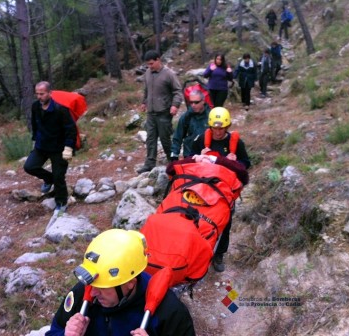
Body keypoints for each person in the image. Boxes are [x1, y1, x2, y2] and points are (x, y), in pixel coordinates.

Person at [46, 229, 196, 336]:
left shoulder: (169, 312)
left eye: (103, 287)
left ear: (130, 282)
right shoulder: (83, 294)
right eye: (92, 285)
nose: (93, 293)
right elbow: (54, 330)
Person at [191, 107, 251, 272]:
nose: (217, 132)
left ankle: (219, 254)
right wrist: (199, 156)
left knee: (225, 222)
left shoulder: (236, 143)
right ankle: (199, 252)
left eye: (221, 128)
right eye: (214, 128)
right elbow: (189, 158)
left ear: (227, 126)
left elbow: (246, 163)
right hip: (204, 188)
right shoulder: (201, 140)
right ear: (210, 126)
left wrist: (236, 162)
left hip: (225, 192)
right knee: (199, 220)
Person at [23, 81, 76, 216]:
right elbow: (35, 125)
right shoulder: (35, 107)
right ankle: (48, 179)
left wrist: (69, 147)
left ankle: (61, 203)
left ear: (49, 93)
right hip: (42, 145)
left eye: (42, 94)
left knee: (59, 176)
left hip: (59, 148)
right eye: (37, 94)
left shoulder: (60, 109)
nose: (39, 97)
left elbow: (71, 129)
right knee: (30, 166)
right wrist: (35, 140)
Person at [138, 50, 183, 174]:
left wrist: (175, 105)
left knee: (165, 138)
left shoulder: (169, 74)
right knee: (150, 139)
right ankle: (149, 163)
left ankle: (172, 161)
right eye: (148, 64)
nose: (149, 66)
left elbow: (178, 91)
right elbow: (146, 90)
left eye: (152, 63)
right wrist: (144, 102)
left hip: (164, 112)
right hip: (151, 112)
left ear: (158, 60)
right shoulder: (147, 73)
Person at [171, 90, 211, 161]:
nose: (193, 105)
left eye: (196, 102)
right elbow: (177, 137)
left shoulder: (210, 116)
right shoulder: (186, 117)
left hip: (207, 156)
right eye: (191, 102)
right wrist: (174, 155)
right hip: (190, 155)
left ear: (203, 101)